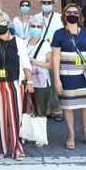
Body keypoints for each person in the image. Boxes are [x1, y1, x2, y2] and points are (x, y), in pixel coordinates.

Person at [51, 3, 86, 149]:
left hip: (85, 76)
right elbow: (55, 57)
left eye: (75, 12)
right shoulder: (59, 34)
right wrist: (56, 79)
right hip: (66, 76)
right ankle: (71, 134)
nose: (72, 14)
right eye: (69, 12)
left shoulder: (85, 32)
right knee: (68, 106)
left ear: (79, 15)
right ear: (64, 16)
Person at [0, 12, 33, 160]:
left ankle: (16, 148)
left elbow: (26, 63)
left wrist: (30, 81)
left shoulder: (18, 41)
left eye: (1, 22)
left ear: (8, 23)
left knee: (15, 117)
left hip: (15, 84)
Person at [33, 0, 65, 121]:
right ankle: (44, 108)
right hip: (41, 53)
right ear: (40, 3)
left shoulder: (59, 17)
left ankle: (57, 109)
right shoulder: (35, 17)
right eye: (44, 2)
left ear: (53, 4)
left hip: (56, 52)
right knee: (43, 82)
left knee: (56, 81)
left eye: (49, 3)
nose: (46, 5)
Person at [25, 15, 53, 147]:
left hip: (41, 81)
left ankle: (40, 136)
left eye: (38, 27)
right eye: (33, 26)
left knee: (40, 109)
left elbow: (50, 64)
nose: (35, 28)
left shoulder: (45, 44)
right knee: (26, 108)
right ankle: (26, 133)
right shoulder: (23, 42)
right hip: (26, 80)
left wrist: (35, 62)